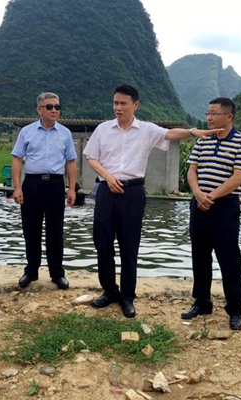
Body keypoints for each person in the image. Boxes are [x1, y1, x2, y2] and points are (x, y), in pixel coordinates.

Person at [83, 83, 220, 318]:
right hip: (106, 190)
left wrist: (192, 132)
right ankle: (109, 291)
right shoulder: (103, 129)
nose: (118, 107)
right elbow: (92, 158)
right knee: (103, 243)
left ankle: (127, 296)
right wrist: (108, 176)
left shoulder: (146, 129)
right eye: (115, 103)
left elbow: (169, 134)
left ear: (135, 105)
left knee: (129, 245)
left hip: (133, 193)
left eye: (123, 103)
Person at [180, 97, 241, 331]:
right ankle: (202, 302)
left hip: (224, 207)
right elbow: (192, 171)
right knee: (200, 255)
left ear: (228, 116)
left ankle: (235, 309)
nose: (209, 118)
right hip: (199, 205)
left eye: (214, 113)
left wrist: (210, 197)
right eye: (208, 113)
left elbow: (238, 178)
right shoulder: (203, 140)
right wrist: (198, 194)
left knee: (228, 258)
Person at [12, 92, 77, 290]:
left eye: (57, 107)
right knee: (31, 229)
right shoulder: (27, 132)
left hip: (55, 185)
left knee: (55, 230)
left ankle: (57, 273)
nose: (54, 110)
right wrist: (17, 187)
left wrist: (71, 188)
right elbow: (17, 159)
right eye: (49, 107)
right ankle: (31, 271)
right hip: (32, 184)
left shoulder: (65, 133)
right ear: (39, 109)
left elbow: (71, 161)